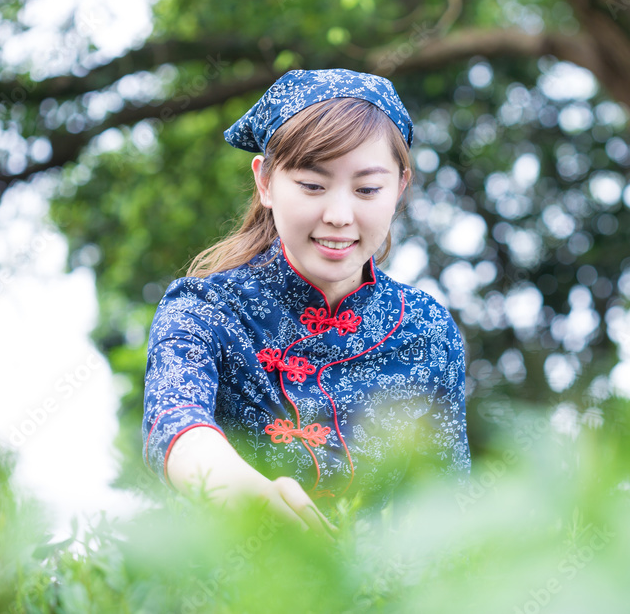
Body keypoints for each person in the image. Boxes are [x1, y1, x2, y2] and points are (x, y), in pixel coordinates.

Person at [141, 68, 470, 532]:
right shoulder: (204, 308)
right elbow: (174, 424)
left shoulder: (428, 331)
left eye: (368, 189)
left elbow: (447, 507)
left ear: (400, 186)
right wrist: (250, 498)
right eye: (313, 186)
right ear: (266, 183)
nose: (338, 216)